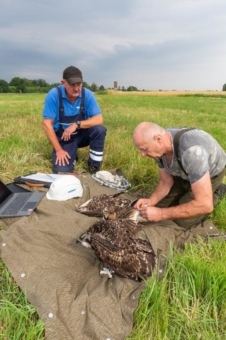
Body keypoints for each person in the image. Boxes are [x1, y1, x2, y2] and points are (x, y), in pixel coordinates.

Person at [133, 122, 226, 229]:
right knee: (157, 207)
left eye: (144, 149)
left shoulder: (192, 151)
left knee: (183, 221)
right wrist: (151, 201)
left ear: (158, 139)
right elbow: (165, 181)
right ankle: (187, 188)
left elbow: (205, 205)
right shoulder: (160, 148)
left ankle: (218, 191)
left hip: (209, 174)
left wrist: (161, 214)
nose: (142, 155)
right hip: (182, 172)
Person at [42, 66, 107, 174]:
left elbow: (99, 119)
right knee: (62, 173)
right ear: (63, 82)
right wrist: (59, 150)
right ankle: (71, 154)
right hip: (65, 138)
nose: (77, 88)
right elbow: (46, 124)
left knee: (99, 130)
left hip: (82, 135)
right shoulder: (54, 95)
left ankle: (94, 167)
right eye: (73, 85)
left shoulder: (87, 94)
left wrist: (77, 124)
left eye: (79, 84)